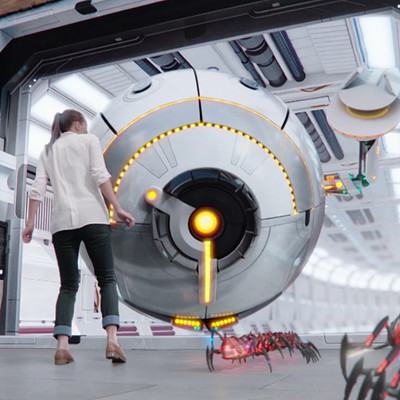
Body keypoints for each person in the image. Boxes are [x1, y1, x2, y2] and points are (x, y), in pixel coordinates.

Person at [22, 109, 135, 365]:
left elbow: (37, 188)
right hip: (93, 217)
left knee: (68, 285)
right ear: (77, 124)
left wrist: (30, 223)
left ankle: (62, 347)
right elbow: (100, 175)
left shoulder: (48, 150)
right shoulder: (89, 141)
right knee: (107, 279)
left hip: (61, 224)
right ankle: (112, 341)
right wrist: (117, 207)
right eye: (84, 125)